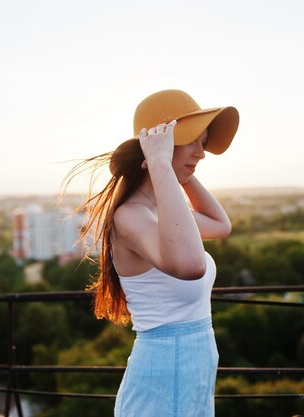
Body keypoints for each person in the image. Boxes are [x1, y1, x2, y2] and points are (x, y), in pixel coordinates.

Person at [63, 89, 239, 416]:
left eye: (204, 142)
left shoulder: (161, 212)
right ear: (162, 145)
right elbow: (189, 264)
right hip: (165, 373)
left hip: (192, 371)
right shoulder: (131, 216)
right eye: (195, 142)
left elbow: (220, 224)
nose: (202, 153)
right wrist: (161, 163)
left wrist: (176, 173)